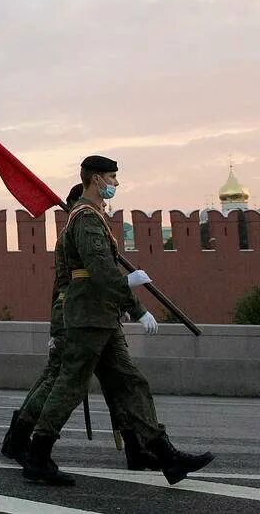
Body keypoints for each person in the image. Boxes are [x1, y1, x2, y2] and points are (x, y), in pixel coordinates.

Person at [22, 155, 214, 486]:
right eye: (112, 177)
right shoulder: (85, 219)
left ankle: (166, 456)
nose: (115, 184)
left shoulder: (91, 217)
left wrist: (129, 303)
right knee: (70, 384)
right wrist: (134, 301)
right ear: (96, 179)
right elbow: (100, 270)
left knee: (130, 382)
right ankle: (38, 455)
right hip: (88, 316)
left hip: (101, 316)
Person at [1, 184, 161, 471]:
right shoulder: (78, 229)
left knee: (115, 382)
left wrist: (116, 304)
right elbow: (76, 282)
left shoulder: (81, 229)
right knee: (61, 380)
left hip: (93, 311)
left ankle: (138, 447)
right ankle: (21, 439)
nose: (103, 207)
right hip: (78, 314)